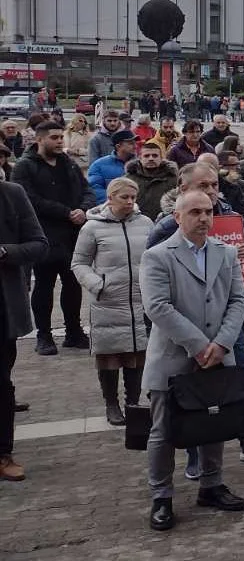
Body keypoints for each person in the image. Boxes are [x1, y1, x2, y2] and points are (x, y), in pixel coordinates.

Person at [140, 189, 244, 531]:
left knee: (213, 423)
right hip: (173, 357)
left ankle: (211, 485)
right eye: (195, 212)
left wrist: (221, 344)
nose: (204, 218)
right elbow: (157, 307)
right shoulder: (158, 256)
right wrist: (199, 345)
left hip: (218, 355)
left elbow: (238, 300)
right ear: (177, 216)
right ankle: (161, 495)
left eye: (208, 212)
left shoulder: (226, 253)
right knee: (162, 431)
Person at [70, 177, 154, 427]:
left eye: (133, 197)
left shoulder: (146, 223)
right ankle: (111, 403)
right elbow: (79, 263)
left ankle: (133, 401)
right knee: (109, 357)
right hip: (108, 301)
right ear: (110, 197)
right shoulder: (92, 228)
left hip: (140, 299)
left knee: (137, 355)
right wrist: (97, 284)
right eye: (124, 197)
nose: (129, 202)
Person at [12, 120, 96, 354]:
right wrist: (66, 212)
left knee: (72, 285)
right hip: (43, 236)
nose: (60, 141)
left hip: (72, 235)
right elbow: (29, 200)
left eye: (61, 137)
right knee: (44, 287)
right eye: (54, 138)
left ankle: (73, 332)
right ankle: (44, 336)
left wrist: (84, 209)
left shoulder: (67, 163)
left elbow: (86, 189)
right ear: (39, 140)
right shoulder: (25, 166)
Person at [1, 178, 48, 481]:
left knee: (1, 384)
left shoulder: (11, 194)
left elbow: (39, 245)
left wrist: (5, 252)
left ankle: (3, 452)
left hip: (2, 311)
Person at [127, 140, 180, 221]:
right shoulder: (128, 180)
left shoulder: (174, 179)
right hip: (136, 223)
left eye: (155, 156)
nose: (151, 158)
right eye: (146, 156)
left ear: (161, 158)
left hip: (165, 223)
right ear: (140, 158)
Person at [88, 129, 138, 203]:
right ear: (118, 146)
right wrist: (116, 203)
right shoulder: (99, 165)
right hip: (109, 210)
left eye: (135, 143)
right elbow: (95, 189)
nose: (135, 146)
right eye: (131, 143)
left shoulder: (141, 164)